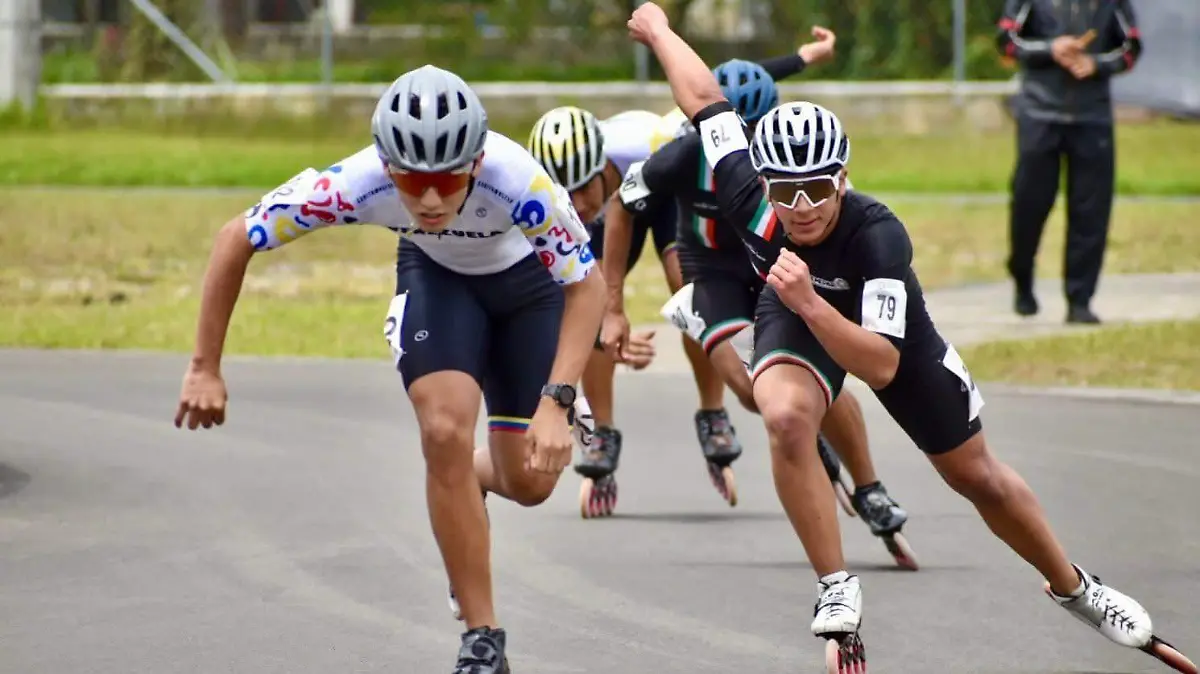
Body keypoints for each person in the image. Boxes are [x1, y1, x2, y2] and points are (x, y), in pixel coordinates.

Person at [627, 3, 1191, 672]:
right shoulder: (745, 189)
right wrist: (661, 30)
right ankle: (836, 587)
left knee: (975, 477)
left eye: (816, 189)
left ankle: (1076, 588)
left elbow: (882, 364)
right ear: (763, 182)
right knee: (781, 414)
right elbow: (706, 99)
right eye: (786, 191)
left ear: (841, 178)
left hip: (878, 334)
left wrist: (810, 302)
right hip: (797, 306)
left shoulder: (878, 233)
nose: (802, 207)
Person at [173, 64, 606, 674]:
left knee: (531, 483)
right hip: (438, 281)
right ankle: (483, 638)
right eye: (410, 179)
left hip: (528, 292)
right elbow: (233, 239)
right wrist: (204, 367)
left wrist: (557, 401)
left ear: (477, 164)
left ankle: (473, 478)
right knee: (443, 432)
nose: (429, 199)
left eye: (448, 179)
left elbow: (589, 290)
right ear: (385, 163)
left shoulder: (522, 182)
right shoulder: (357, 182)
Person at [613, 57, 915, 568]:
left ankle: (869, 485)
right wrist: (610, 300)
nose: (747, 146)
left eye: (757, 133)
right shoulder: (684, 157)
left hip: (774, 263)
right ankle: (800, 433)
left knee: (820, 374)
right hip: (713, 274)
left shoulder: (786, 165)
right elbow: (623, 207)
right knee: (753, 387)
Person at [527, 37, 838, 516]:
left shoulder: (659, 140)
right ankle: (603, 432)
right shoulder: (577, 194)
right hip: (623, 212)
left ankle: (712, 410)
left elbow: (725, 87)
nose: (576, 202)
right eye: (564, 194)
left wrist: (801, 59)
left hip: (665, 201)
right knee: (591, 304)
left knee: (689, 292)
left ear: (602, 166)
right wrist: (612, 308)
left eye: (584, 188)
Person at [996, 0, 1142, 324]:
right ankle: (1022, 272)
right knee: (1030, 202)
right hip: (1040, 113)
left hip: (1093, 117)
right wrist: (1051, 48)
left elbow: (1131, 47)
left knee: (1090, 209)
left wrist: (1097, 64)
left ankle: (1080, 299)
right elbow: (1007, 42)